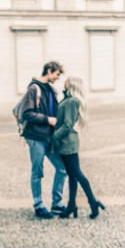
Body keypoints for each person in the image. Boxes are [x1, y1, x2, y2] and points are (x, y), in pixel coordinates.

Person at [52, 76, 105, 219]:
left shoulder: (72, 102)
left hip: (68, 143)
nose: (64, 82)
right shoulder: (68, 100)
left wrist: (54, 137)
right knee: (72, 175)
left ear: (71, 85)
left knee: (77, 173)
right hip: (65, 143)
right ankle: (71, 206)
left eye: (66, 81)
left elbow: (67, 125)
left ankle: (93, 202)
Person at [21, 61, 67, 219]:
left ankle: (57, 203)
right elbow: (25, 113)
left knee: (62, 168)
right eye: (56, 74)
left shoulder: (52, 90)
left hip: (50, 137)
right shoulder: (34, 88)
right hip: (36, 137)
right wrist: (48, 120)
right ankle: (39, 205)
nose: (57, 78)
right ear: (49, 71)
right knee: (38, 171)